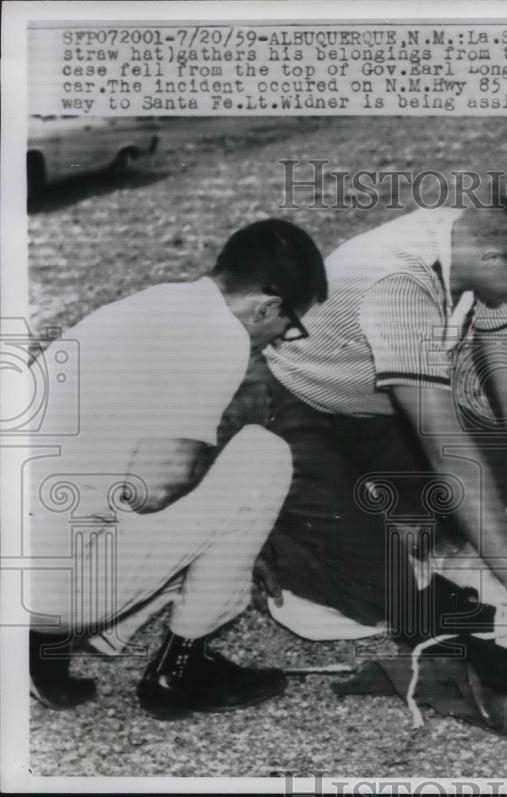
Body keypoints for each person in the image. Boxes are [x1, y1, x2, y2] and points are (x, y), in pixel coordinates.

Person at [253, 180, 507, 659]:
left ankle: (351, 501)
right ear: (494, 259)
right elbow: (448, 453)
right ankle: (254, 529)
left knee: (450, 538)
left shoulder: (476, 243)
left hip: (376, 411)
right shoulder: (402, 282)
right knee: (385, 596)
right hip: (297, 404)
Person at [27, 219, 328, 719]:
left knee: (191, 505)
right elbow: (155, 487)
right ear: (267, 306)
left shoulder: (151, 304)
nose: (279, 340)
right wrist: (228, 517)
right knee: (261, 454)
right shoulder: (221, 335)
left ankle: (41, 649)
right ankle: (181, 672)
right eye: (289, 327)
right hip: (50, 589)